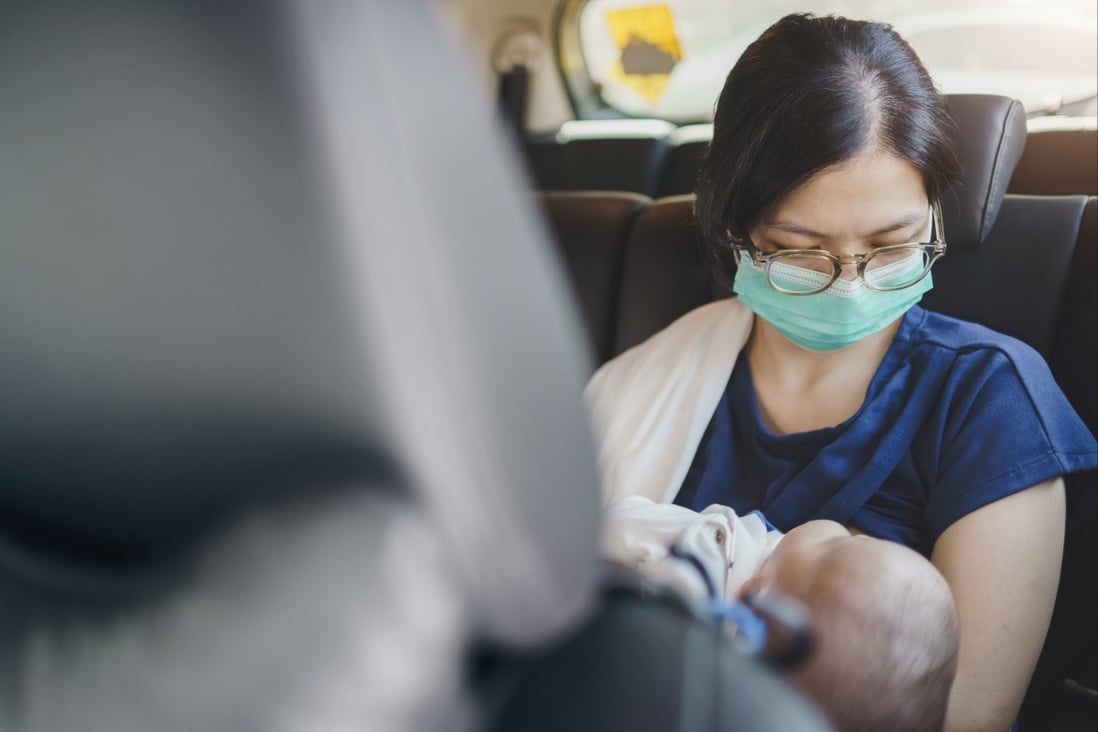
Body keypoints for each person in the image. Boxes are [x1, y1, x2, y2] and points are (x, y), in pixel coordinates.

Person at [585, 13, 1098, 731]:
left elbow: (962, 720)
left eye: (893, 246)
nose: (851, 286)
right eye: (801, 252)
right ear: (736, 233)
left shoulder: (991, 402)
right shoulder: (642, 384)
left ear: (932, 219)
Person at [601, 496, 960, 732]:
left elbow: (607, 527)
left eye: (841, 544)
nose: (858, 533)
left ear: (762, 597)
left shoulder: (706, 553)